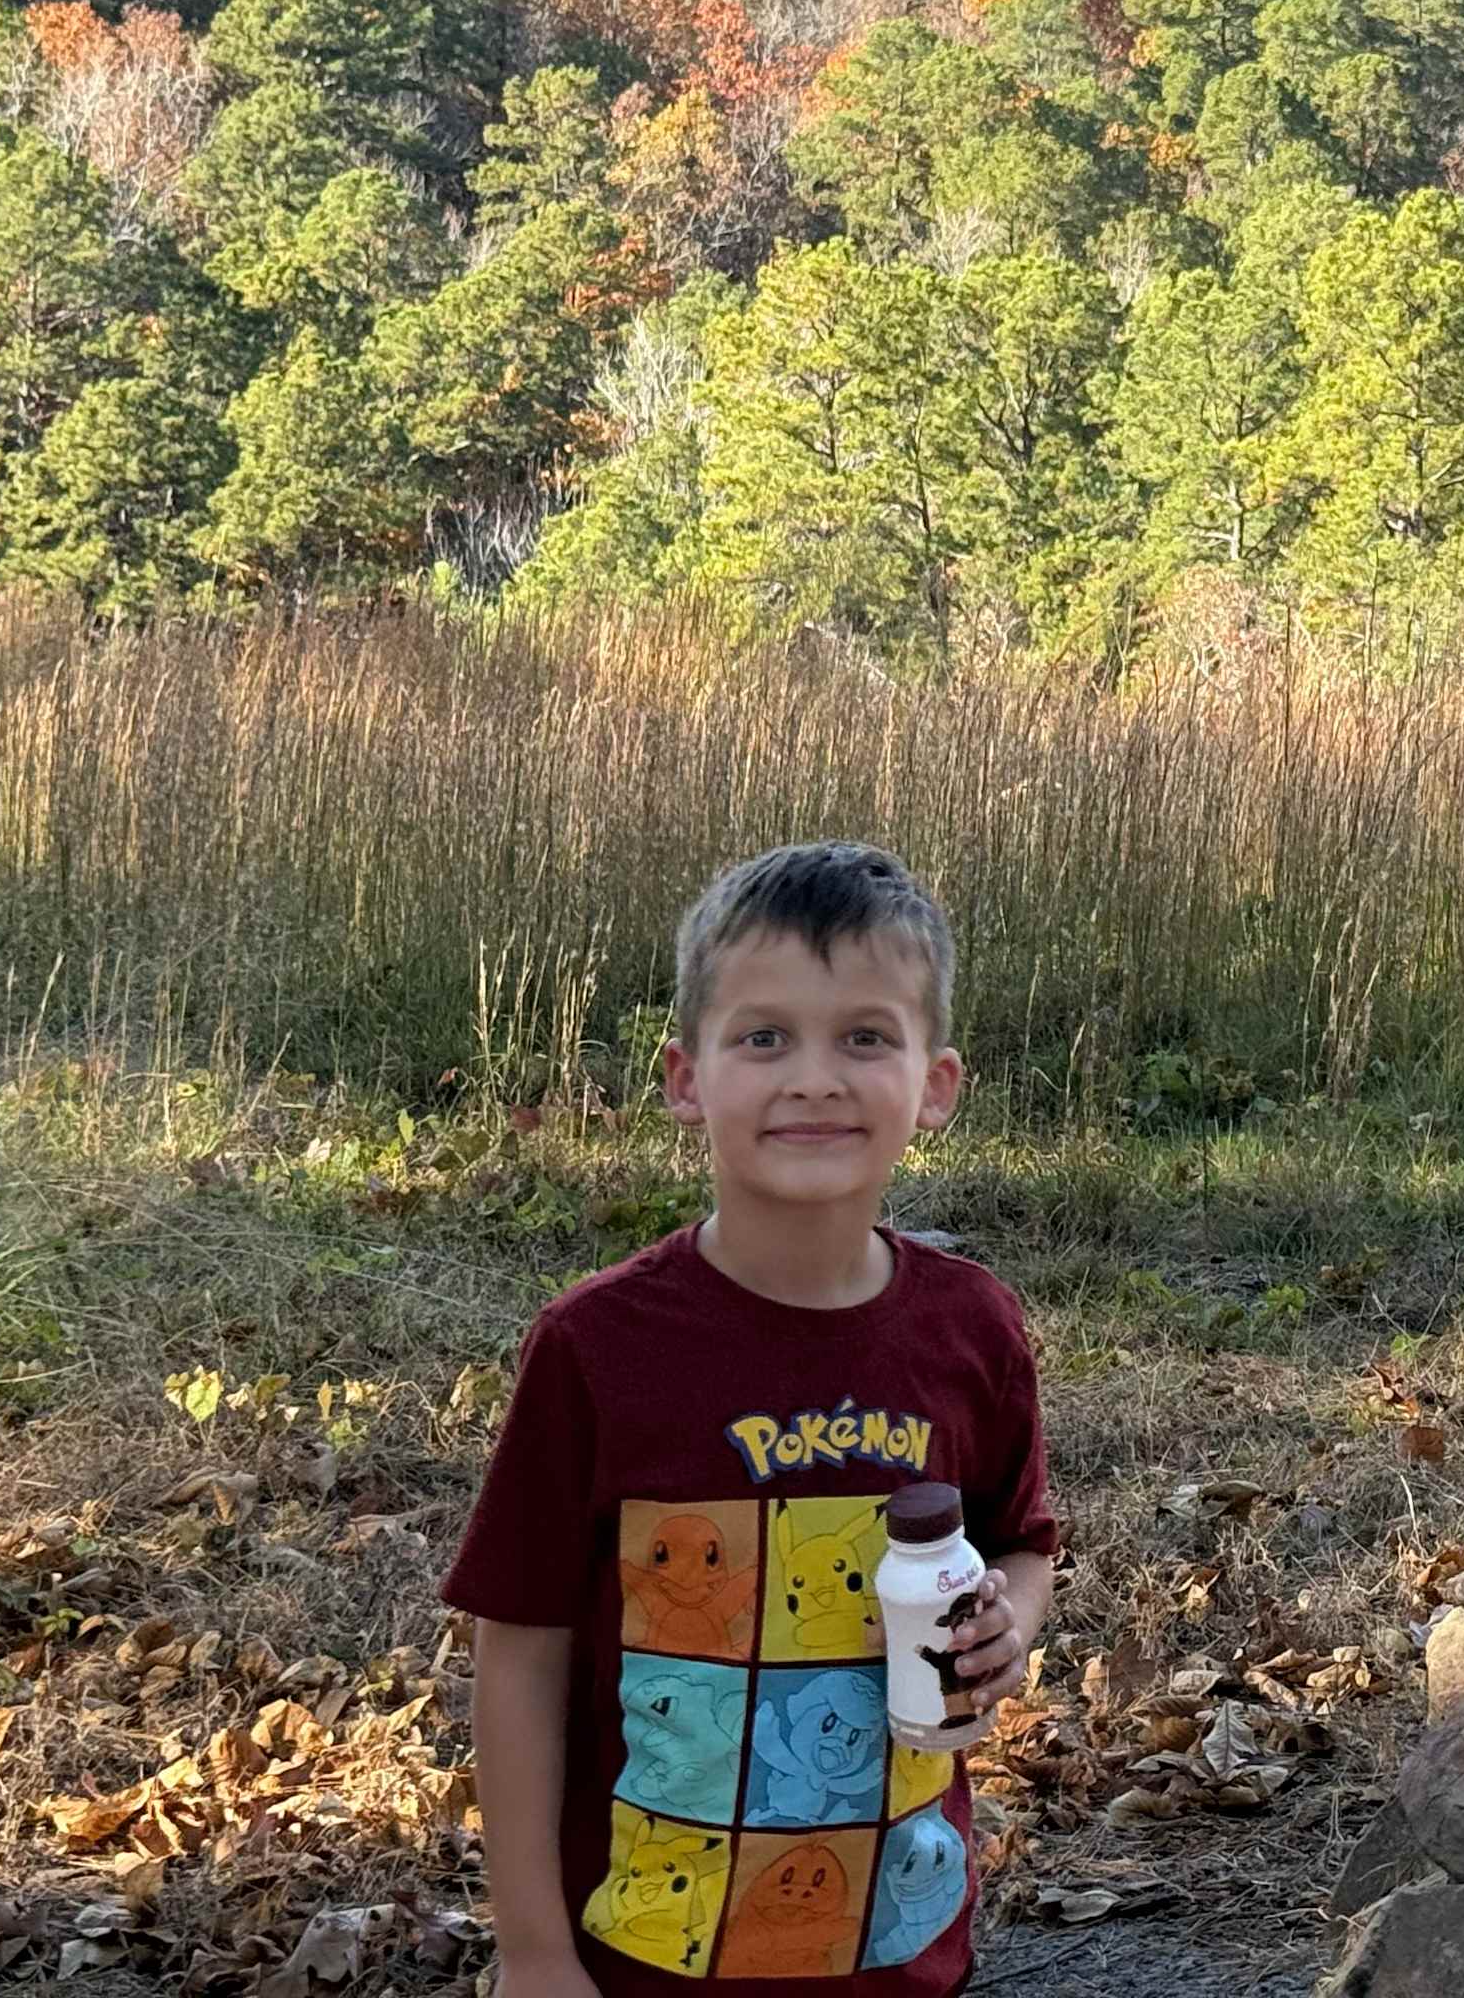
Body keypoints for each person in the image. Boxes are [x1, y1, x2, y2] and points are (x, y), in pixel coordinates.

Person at [444, 844, 1058, 1998]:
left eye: (864, 1038)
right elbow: (519, 1653)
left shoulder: (973, 1328)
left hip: (899, 1949)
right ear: (687, 1079)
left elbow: (1021, 1543)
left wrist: (1007, 1630)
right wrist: (532, 1951)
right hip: (645, 1958)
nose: (814, 1079)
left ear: (935, 1085)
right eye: (765, 1037)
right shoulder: (596, 1347)